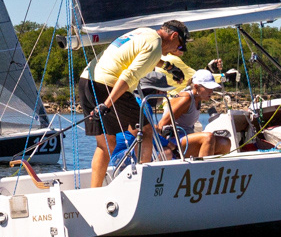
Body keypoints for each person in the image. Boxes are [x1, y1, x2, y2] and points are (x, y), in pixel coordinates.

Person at [78, 19, 188, 186]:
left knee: (106, 144)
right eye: (179, 47)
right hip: (109, 85)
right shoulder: (155, 46)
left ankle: (95, 190)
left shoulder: (144, 32)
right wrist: (107, 104)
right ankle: (142, 185)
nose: (176, 52)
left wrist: (169, 67)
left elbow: (142, 56)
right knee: (145, 131)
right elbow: (129, 76)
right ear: (173, 36)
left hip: (86, 80)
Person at [157, 68, 219, 158]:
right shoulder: (186, 98)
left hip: (187, 137)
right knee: (208, 137)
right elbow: (161, 125)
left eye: (212, 88)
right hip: (174, 140)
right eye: (208, 88)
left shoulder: (198, 98)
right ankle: (203, 166)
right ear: (197, 87)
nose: (211, 91)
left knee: (225, 142)